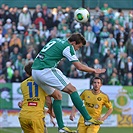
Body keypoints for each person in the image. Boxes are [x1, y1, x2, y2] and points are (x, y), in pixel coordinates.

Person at [32, 33, 106, 132]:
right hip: (45, 70)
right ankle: (87, 118)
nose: (77, 49)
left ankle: (61, 127)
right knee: (72, 90)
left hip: (35, 71)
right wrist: (94, 70)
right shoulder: (68, 47)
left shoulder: (56, 39)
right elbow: (79, 66)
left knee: (57, 96)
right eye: (78, 47)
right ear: (73, 43)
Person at [18, 62, 54, 133]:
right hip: (36, 116)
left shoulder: (23, 84)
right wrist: (51, 111)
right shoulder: (42, 82)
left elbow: (27, 99)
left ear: (27, 73)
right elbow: (48, 101)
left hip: (23, 115)